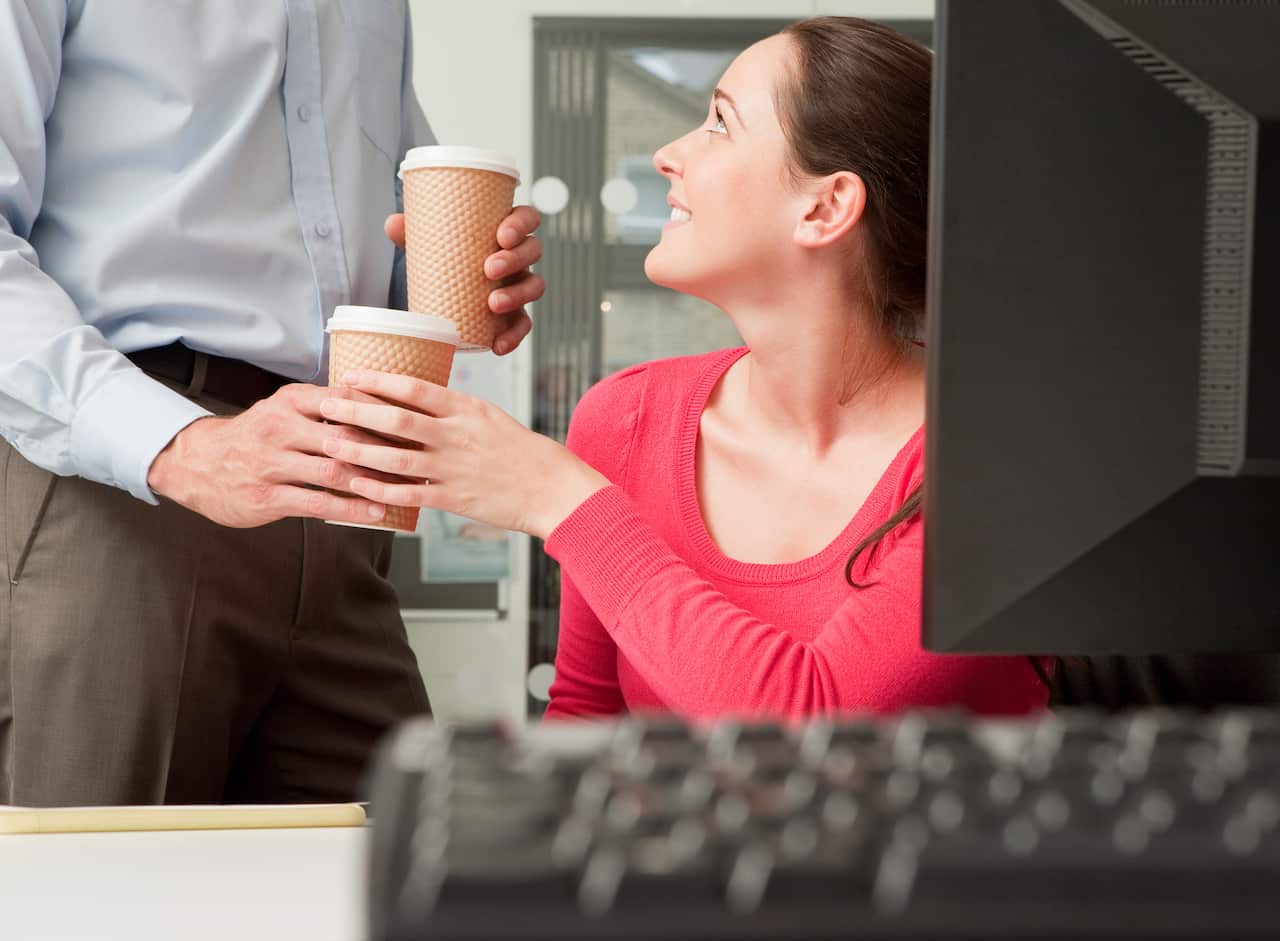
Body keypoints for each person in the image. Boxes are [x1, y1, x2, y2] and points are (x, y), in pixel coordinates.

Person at [318, 17, 1049, 720]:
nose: (670, 152)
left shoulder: (985, 465)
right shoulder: (625, 421)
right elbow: (588, 713)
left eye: (721, 123)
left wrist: (563, 500)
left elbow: (819, 721)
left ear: (826, 209)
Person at [0, 2, 542, 806]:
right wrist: (180, 447)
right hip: (126, 495)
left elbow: (384, 234)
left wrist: (473, 274)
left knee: (400, 874)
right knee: (110, 904)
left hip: (334, 499)